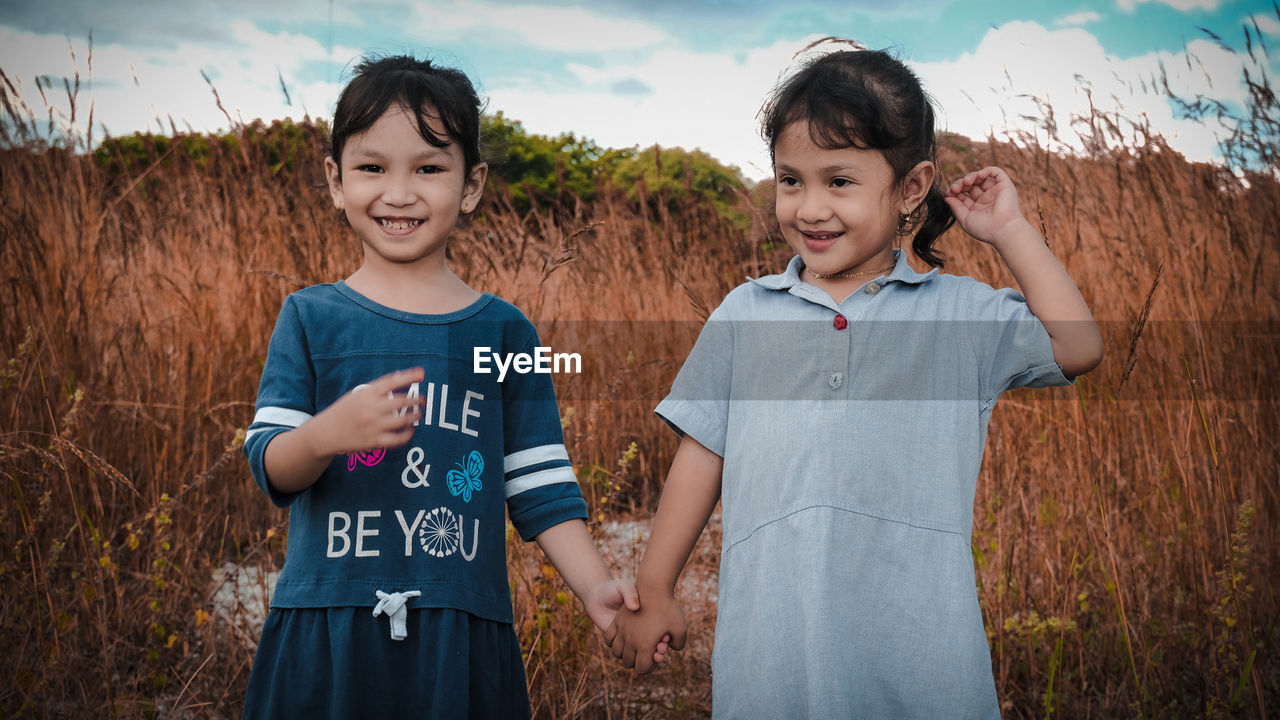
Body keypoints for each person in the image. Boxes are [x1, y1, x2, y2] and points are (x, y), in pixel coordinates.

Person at [604, 44, 1104, 718]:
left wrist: (1009, 231)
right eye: (790, 180)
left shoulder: (957, 314)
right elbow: (704, 452)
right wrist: (657, 584)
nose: (809, 208)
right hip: (773, 652)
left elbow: (1079, 345)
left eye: (839, 181)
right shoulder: (747, 313)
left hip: (920, 653)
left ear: (910, 188)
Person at [241, 54, 641, 718]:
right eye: (372, 168)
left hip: (456, 637)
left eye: (429, 168)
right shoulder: (310, 318)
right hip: (328, 626)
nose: (399, 193)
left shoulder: (504, 332)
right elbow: (270, 467)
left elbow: (541, 487)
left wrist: (596, 588)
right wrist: (323, 436)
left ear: (472, 184)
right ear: (336, 182)